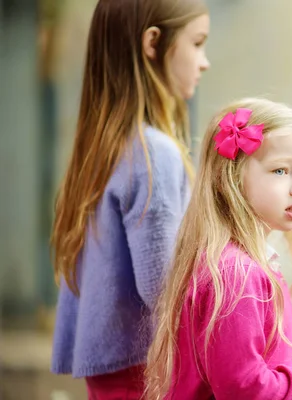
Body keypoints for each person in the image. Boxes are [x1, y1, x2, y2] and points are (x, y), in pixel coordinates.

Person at [145, 98, 292, 400]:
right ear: (232, 179)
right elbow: (243, 390)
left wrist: (279, 356)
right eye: (281, 171)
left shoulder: (232, 264)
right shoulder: (238, 274)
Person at [49, 0, 210, 396]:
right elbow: (165, 287)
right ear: (153, 43)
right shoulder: (153, 153)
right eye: (197, 43)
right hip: (148, 374)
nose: (204, 62)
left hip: (112, 373)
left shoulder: (103, 148)